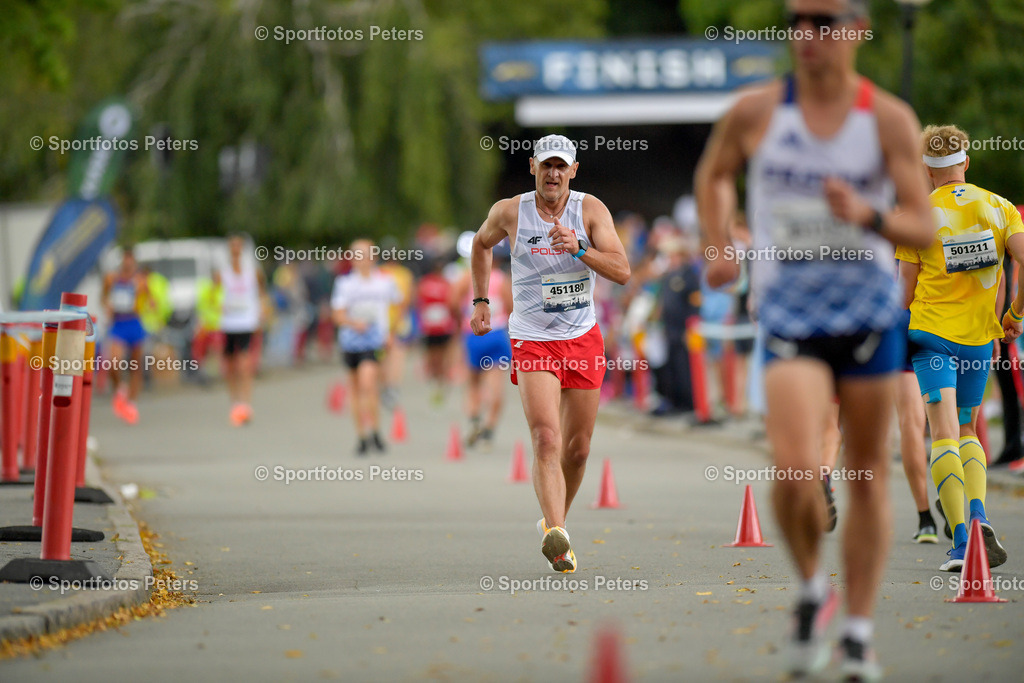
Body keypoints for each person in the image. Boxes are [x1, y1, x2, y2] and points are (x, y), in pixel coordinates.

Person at [695, 1, 934, 678]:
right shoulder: (756, 112)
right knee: (796, 470)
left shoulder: (886, 119)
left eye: (823, 21)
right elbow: (713, 174)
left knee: (868, 477)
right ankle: (808, 587)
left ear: (858, 29)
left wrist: (868, 214)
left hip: (867, 319)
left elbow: (923, 226)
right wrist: (718, 242)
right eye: (795, 20)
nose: (806, 35)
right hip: (791, 317)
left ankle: (856, 628)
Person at [470, 134, 630, 574]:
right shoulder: (510, 211)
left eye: (562, 166)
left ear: (573, 171)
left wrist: (579, 247)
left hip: (581, 337)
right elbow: (481, 245)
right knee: (546, 438)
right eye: (546, 165)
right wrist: (481, 301)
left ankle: (555, 521)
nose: (554, 173)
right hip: (532, 337)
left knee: (577, 449)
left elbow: (622, 270)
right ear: (532, 167)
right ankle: (557, 535)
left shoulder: (591, 210)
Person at [898, 123, 1020, 572]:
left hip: (930, 334)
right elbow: (1016, 264)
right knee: (968, 432)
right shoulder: (1000, 207)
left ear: (924, 169)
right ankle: (979, 516)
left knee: (942, 433)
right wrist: (1015, 315)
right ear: (966, 162)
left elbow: (903, 292)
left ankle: (962, 543)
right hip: (978, 339)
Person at [332, 240, 400, 455]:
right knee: (354, 389)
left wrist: (390, 332)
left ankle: (376, 430)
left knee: (367, 384)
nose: (361, 259)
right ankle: (362, 436)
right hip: (351, 341)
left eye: (366, 254)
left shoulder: (385, 281)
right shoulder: (345, 284)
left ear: (373, 257)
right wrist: (354, 323)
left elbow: (397, 306)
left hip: (373, 341)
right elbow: (338, 314)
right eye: (357, 255)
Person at [453, 260, 513, 449]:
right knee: (496, 384)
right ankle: (489, 428)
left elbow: (452, 300)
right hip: (497, 334)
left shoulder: (467, 277)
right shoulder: (502, 279)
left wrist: (461, 319)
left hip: (474, 334)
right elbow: (511, 307)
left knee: (473, 383)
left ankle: (474, 419)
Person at [219, 235, 266, 426]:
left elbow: (260, 294)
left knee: (244, 364)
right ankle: (234, 401)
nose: (236, 249)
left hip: (246, 322)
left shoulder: (252, 272)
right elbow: (214, 295)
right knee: (230, 365)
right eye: (233, 246)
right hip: (228, 323)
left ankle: (246, 403)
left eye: (239, 246)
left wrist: (261, 315)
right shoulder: (222, 273)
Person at [102, 247, 151, 424]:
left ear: (134, 262)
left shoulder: (140, 280)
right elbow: (104, 297)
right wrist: (107, 306)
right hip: (118, 324)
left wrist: (144, 301)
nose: (128, 263)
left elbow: (151, 300)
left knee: (135, 366)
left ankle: (132, 402)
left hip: (134, 322)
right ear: (122, 261)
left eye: (131, 260)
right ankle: (119, 389)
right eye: (126, 260)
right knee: (113, 363)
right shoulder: (111, 278)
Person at [416, 258, 458, 405]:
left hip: (438, 327)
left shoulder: (428, 283)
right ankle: (438, 383)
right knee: (436, 358)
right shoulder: (439, 283)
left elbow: (452, 304)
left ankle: (439, 384)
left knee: (438, 358)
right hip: (435, 326)